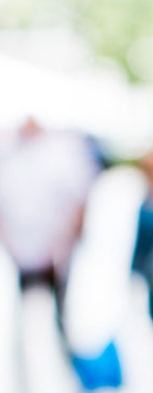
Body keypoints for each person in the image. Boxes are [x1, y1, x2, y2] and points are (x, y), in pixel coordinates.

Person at [0, 116, 101, 328]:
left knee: (55, 321)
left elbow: (79, 205)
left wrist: (61, 250)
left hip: (54, 258)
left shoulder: (62, 155)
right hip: (17, 256)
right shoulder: (9, 156)